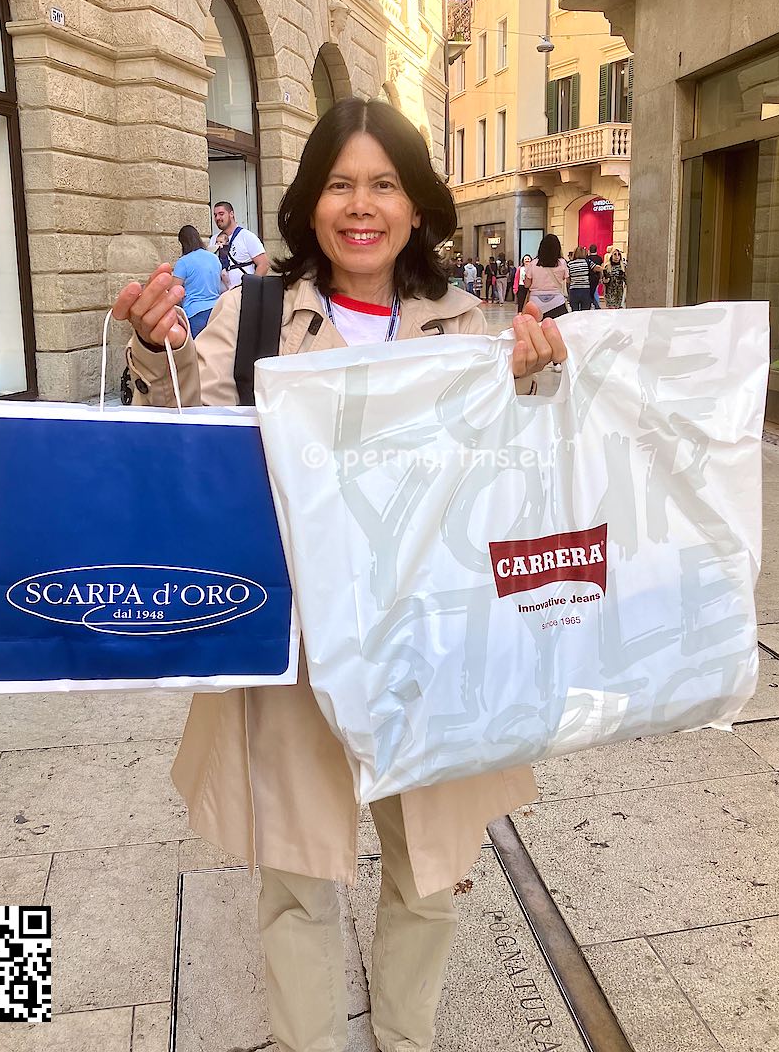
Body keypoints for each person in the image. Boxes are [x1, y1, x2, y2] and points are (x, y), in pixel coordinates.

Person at [114, 98, 567, 1052]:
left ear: (416, 205)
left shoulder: (473, 323)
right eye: (340, 185)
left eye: (385, 184)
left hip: (432, 647)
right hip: (299, 639)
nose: (361, 207)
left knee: (429, 871)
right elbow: (192, 434)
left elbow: (527, 474)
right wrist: (152, 352)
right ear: (311, 203)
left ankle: (408, 1038)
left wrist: (540, 380)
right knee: (298, 878)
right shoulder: (257, 311)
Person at [171, 224, 226, 338]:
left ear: (183, 243)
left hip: (195, 312)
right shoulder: (214, 258)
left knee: (198, 352)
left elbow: (174, 291)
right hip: (216, 311)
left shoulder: (183, 262)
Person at [207, 200, 269, 287]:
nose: (217, 218)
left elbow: (264, 264)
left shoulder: (247, 236)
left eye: (221, 214)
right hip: (222, 296)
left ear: (231, 214)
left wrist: (251, 288)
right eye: (215, 215)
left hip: (243, 294)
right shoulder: (214, 239)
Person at [524, 234, 569, 320]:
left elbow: (527, 284)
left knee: (535, 329)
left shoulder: (533, 263)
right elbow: (566, 279)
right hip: (557, 301)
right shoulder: (562, 262)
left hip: (536, 302)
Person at [567, 245, 594, 312]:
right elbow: (597, 268)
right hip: (585, 290)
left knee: (574, 312)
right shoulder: (587, 262)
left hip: (574, 291)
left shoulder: (569, 264)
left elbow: (568, 280)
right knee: (585, 312)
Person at [586, 241, 604, 309]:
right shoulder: (599, 258)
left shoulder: (587, 258)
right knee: (595, 291)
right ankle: (597, 304)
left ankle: (592, 304)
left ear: (589, 250)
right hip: (596, 277)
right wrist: (601, 278)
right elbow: (601, 268)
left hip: (589, 277)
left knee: (590, 291)